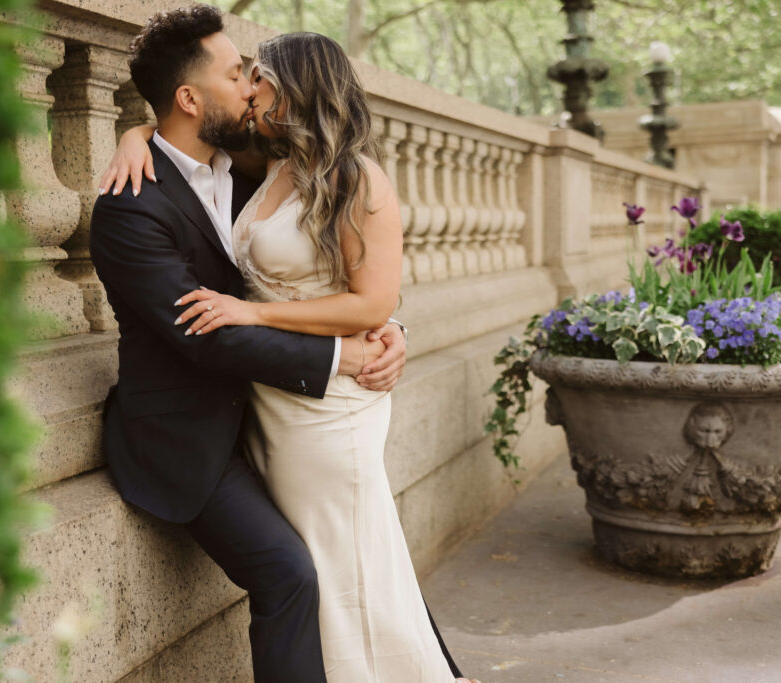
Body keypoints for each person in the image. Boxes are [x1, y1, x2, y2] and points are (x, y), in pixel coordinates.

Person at [98, 10, 479, 683]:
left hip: (291, 410)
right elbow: (202, 339)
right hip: (189, 434)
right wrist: (340, 358)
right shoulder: (133, 204)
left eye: (255, 75)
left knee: (354, 557)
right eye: (236, 73)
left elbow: (342, 271)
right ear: (190, 99)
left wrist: (386, 333)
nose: (249, 87)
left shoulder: (254, 160)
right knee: (305, 569)